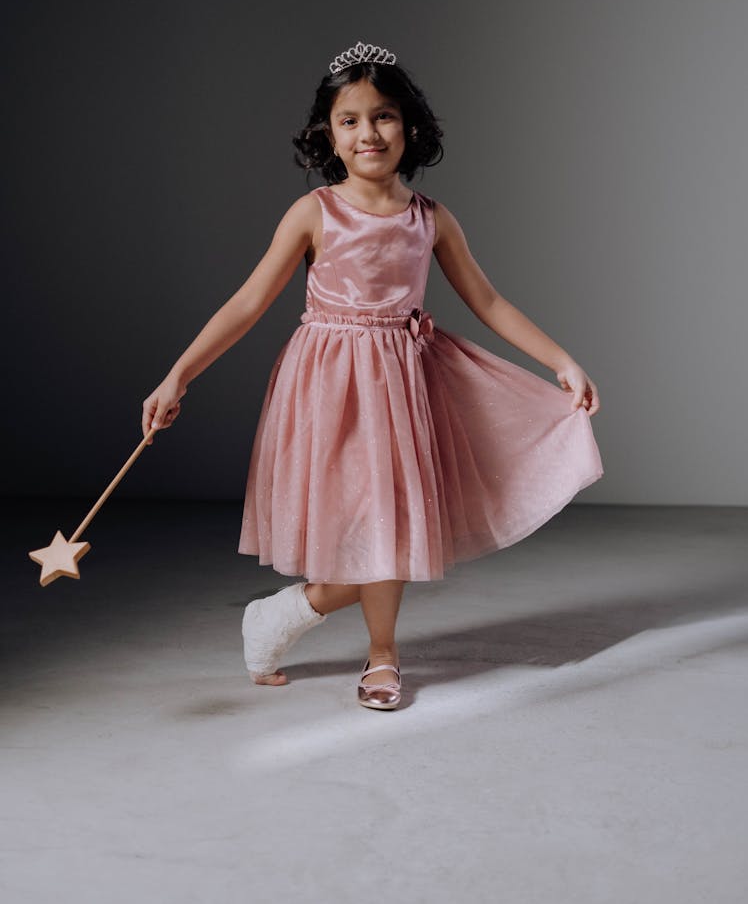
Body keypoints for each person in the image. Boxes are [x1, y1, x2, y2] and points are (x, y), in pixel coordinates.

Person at [142, 40, 603, 712]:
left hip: (402, 384)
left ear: (409, 125)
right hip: (328, 387)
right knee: (360, 527)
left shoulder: (431, 219)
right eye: (350, 119)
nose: (368, 133)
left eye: (383, 116)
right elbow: (247, 302)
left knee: (390, 523)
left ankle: (378, 651)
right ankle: (286, 613)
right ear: (327, 133)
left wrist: (562, 359)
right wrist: (177, 375)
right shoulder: (314, 213)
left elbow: (490, 301)